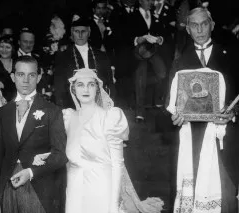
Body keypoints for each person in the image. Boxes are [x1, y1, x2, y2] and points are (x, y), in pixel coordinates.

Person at [37, 68, 164, 213]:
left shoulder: (109, 118)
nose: (86, 89)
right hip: (74, 189)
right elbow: (71, 152)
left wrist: (113, 205)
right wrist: (47, 156)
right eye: (80, 85)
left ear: (97, 89)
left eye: (91, 84)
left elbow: (117, 165)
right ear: (73, 89)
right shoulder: (68, 117)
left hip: (100, 189)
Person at [167, 7, 238, 213]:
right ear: (187, 29)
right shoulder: (179, 63)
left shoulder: (232, 55)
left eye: (204, 23)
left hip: (225, 139)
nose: (200, 29)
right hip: (192, 139)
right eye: (194, 25)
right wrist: (173, 118)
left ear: (212, 25)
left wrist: (233, 114)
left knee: (226, 199)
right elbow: (168, 107)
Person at [0, 56, 67, 213]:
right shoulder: (2, 113)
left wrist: (31, 172)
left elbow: (60, 155)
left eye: (31, 75)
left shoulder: (52, 111)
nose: (25, 80)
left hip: (39, 187)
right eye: (20, 74)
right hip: (7, 186)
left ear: (38, 78)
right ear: (13, 77)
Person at [54, 16, 113, 108]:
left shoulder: (101, 55)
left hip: (99, 101)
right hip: (72, 102)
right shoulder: (63, 56)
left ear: (89, 33)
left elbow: (109, 83)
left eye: (83, 31)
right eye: (77, 32)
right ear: (72, 34)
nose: (80, 35)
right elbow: (59, 87)